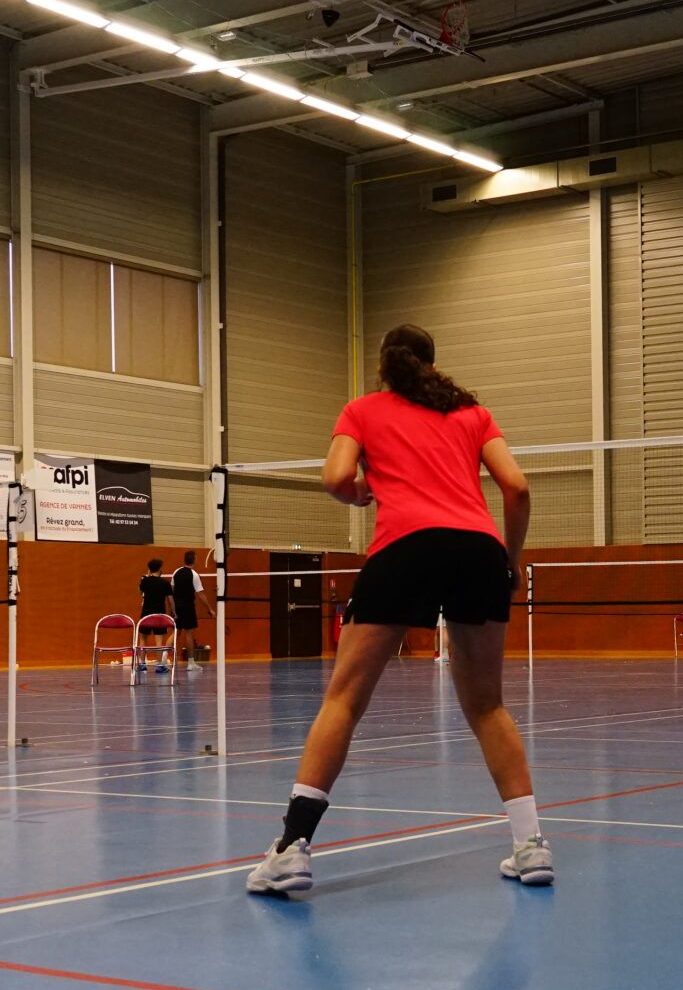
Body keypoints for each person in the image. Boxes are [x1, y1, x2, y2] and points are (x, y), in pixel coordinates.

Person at [247, 323, 550, 896]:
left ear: (383, 366)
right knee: (488, 706)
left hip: (405, 547)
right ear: (433, 364)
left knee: (344, 699)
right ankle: (531, 845)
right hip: (479, 552)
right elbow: (517, 488)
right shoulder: (473, 414)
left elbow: (335, 476)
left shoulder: (362, 411)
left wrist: (359, 492)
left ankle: (290, 850)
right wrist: (509, 561)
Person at [136, 559, 173, 671]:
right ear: (160, 568)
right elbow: (170, 600)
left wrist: (147, 577)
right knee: (159, 641)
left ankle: (142, 664)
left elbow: (140, 592)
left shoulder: (145, 581)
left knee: (143, 639)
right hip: (159, 615)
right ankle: (159, 666)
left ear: (149, 569)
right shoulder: (165, 583)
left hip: (146, 614)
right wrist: (174, 612)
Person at [170, 552, 203, 663]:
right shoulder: (194, 575)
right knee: (189, 633)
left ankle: (163, 660)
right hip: (188, 608)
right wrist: (210, 609)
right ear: (194, 560)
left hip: (177, 607)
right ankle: (191, 663)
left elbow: (171, 589)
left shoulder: (176, 572)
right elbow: (200, 594)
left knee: (176, 632)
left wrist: (172, 608)